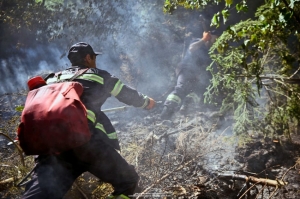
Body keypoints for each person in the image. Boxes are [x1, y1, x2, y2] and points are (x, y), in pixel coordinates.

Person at [21, 42, 156, 199]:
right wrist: (149, 103)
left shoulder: (52, 79)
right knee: (128, 181)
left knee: (41, 195)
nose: (94, 61)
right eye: (94, 57)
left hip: (52, 147)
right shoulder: (99, 75)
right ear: (88, 57)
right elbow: (128, 95)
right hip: (86, 144)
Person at [160, 30, 219, 120]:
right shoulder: (198, 41)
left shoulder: (210, 52)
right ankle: (166, 112)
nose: (217, 40)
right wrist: (204, 39)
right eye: (216, 37)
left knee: (196, 92)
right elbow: (191, 48)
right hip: (186, 68)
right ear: (210, 36)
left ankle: (185, 109)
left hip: (196, 74)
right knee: (181, 88)